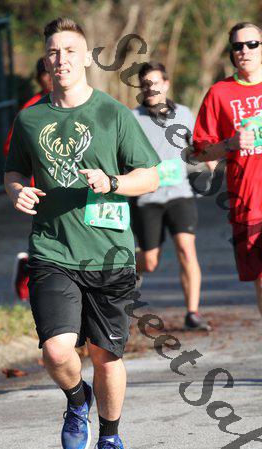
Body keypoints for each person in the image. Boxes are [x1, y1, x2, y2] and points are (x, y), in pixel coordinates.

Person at [4, 17, 160, 449]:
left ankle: (110, 438)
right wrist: (16, 191)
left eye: (70, 50)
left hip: (110, 254)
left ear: (87, 57)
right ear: (46, 60)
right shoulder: (30, 118)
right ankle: (77, 399)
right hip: (52, 250)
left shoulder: (113, 114)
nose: (62, 59)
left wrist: (112, 182)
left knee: (106, 356)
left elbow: (149, 177)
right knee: (56, 350)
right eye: (54, 52)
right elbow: (14, 171)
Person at [131, 61, 211, 331]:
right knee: (150, 261)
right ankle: (129, 270)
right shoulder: (132, 118)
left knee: (187, 249)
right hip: (147, 197)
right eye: (145, 85)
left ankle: (193, 313)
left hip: (179, 193)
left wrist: (210, 157)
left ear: (166, 84)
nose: (150, 89)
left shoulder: (185, 114)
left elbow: (198, 146)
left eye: (155, 83)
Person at [193, 22, 262, 316]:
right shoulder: (220, 93)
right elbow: (201, 150)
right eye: (238, 46)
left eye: (252, 44)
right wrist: (230, 143)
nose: (245, 50)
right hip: (248, 204)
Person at [4, 58, 53, 301]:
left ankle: (28, 265)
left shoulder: (77, 103)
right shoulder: (31, 110)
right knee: (51, 238)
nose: (51, 77)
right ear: (39, 78)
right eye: (46, 73)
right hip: (40, 186)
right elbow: (11, 150)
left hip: (70, 183)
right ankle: (29, 269)